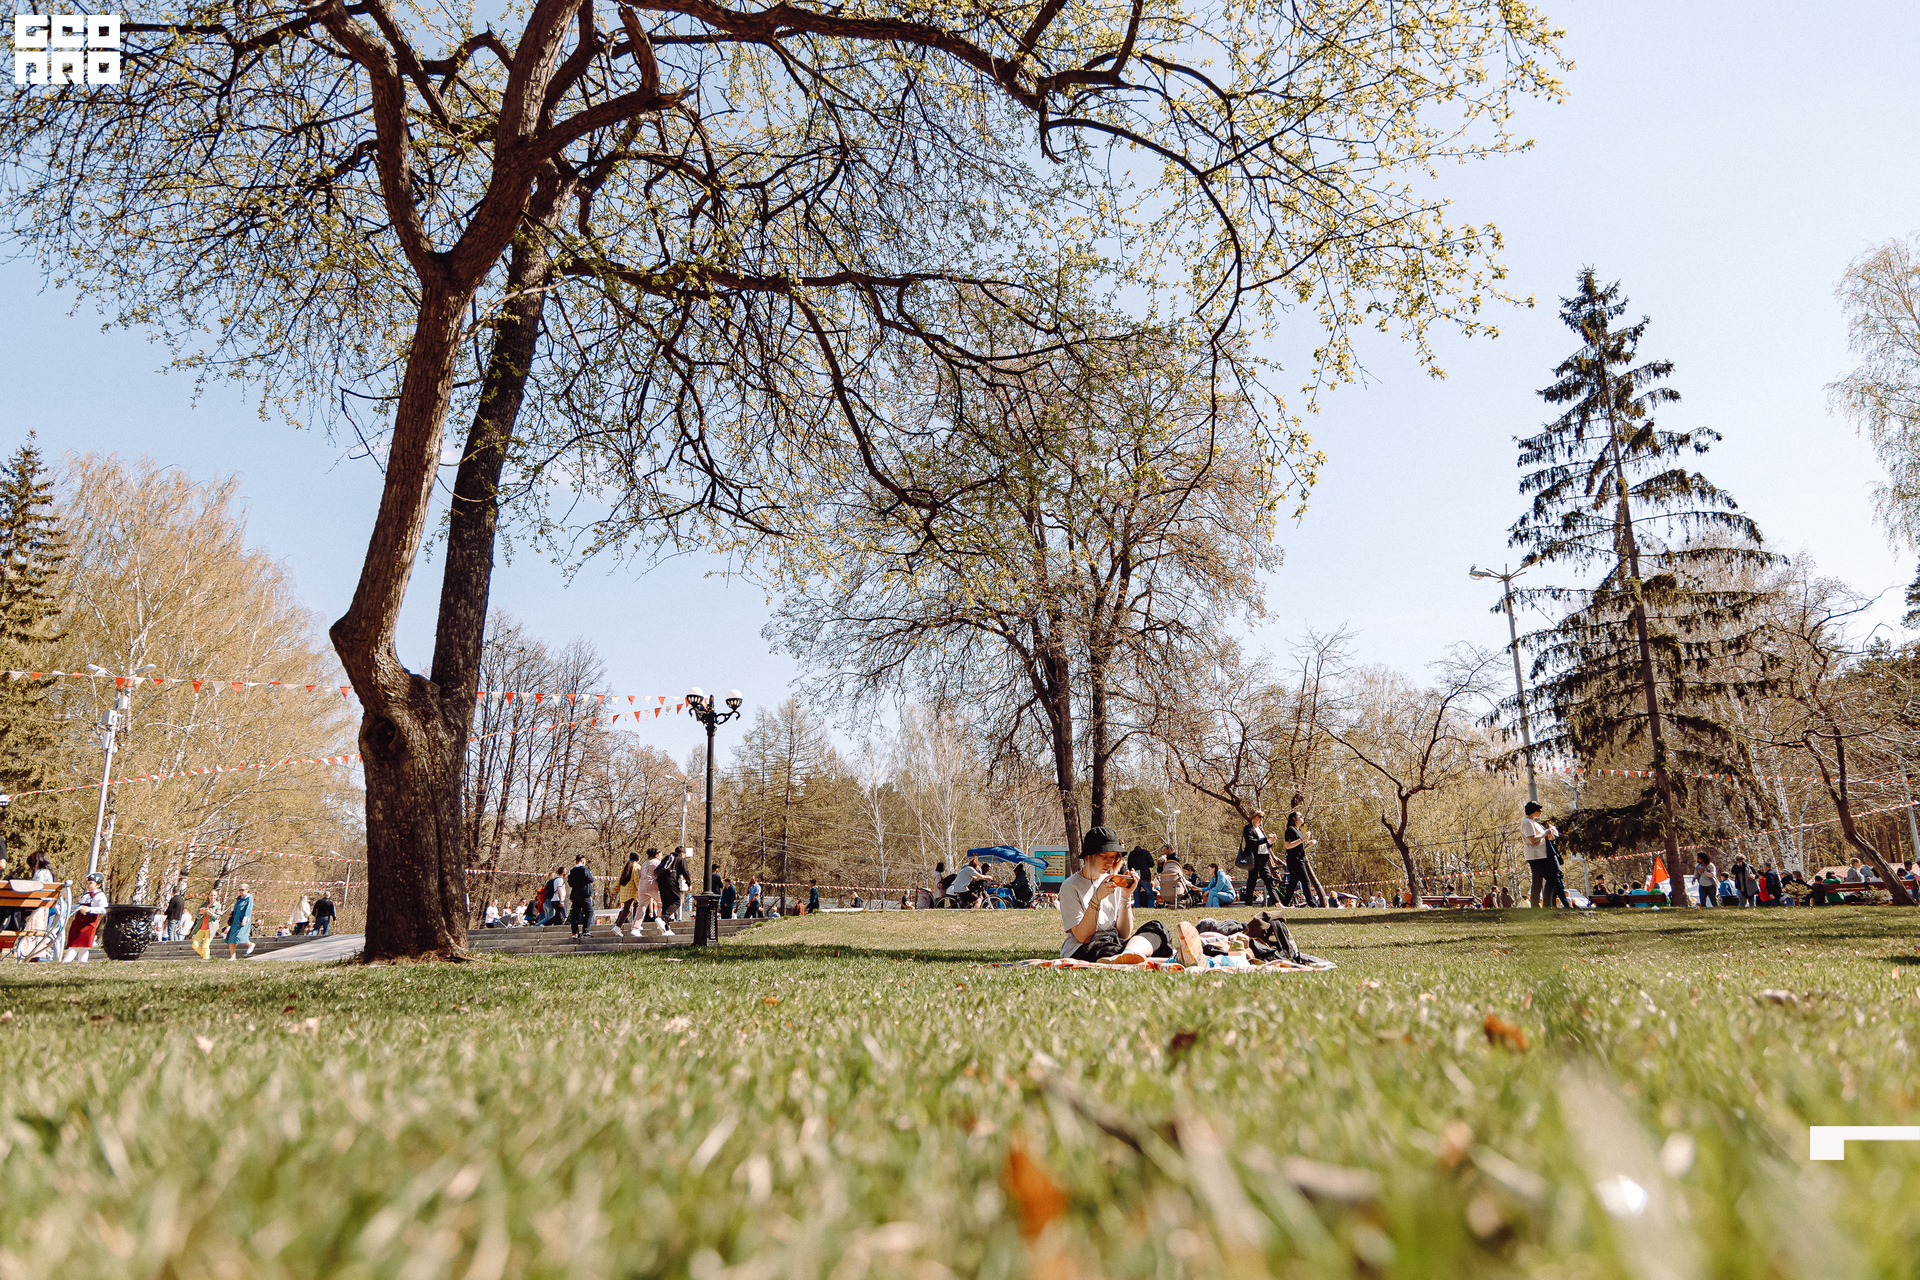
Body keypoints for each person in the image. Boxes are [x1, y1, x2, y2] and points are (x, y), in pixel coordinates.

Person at [1058, 826, 1174, 962]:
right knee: (1109, 949)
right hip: (1083, 948)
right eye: (1104, 856)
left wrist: (1126, 896)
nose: (1109, 862)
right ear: (1089, 856)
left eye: (1113, 857)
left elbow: (1124, 934)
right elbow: (1083, 937)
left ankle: (1129, 954)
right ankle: (1142, 956)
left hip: (1114, 943)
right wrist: (1096, 899)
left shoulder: (1114, 880)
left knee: (1158, 928)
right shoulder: (1070, 886)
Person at [62, 872, 107, 962]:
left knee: (82, 945)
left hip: (88, 924)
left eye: (91, 883)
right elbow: (79, 906)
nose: (88, 885)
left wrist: (89, 909)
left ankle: (66, 962)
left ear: (98, 885)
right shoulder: (85, 895)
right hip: (78, 922)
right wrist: (67, 907)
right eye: (87, 883)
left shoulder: (100, 896)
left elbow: (103, 909)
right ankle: (81, 963)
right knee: (75, 943)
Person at [1240, 810, 1279, 906]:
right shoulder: (1248, 828)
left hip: (1264, 858)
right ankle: (1248, 904)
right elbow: (1251, 842)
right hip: (1254, 858)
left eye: (1262, 817)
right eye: (1259, 816)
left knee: (1269, 881)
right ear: (1253, 817)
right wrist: (1266, 839)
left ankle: (1278, 903)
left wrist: (1271, 842)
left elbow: (1265, 845)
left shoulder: (1261, 829)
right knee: (1252, 881)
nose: (1261, 819)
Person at [1522, 802, 1555, 908]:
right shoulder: (1527, 823)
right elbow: (1532, 840)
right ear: (1533, 810)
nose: (1541, 812)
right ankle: (1543, 904)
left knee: (1539, 880)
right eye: (1539, 810)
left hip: (1541, 854)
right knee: (1549, 877)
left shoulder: (1533, 822)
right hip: (1535, 856)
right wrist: (1545, 833)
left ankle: (1538, 904)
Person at [566, 855, 595, 940]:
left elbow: (570, 883)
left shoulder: (572, 871)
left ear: (576, 861)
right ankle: (585, 931)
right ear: (583, 862)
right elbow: (591, 879)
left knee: (575, 914)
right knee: (589, 911)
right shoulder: (585, 869)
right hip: (584, 893)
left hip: (575, 894)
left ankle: (575, 932)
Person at [657, 847, 687, 927]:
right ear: (682, 854)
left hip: (661, 881)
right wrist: (689, 883)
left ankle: (665, 926)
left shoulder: (667, 858)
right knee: (677, 902)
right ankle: (663, 918)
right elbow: (685, 872)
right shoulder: (680, 859)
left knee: (666, 903)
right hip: (671, 881)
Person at [614, 851, 642, 935]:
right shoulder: (637, 867)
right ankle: (632, 926)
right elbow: (637, 880)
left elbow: (619, 880)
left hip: (625, 891)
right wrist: (640, 890)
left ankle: (621, 926)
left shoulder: (626, 866)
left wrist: (614, 890)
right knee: (631, 908)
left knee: (630, 907)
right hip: (633, 891)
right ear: (638, 859)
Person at [225, 884, 256, 959]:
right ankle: (233, 957)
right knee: (231, 939)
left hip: (243, 920)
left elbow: (248, 909)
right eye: (240, 890)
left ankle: (250, 944)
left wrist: (244, 919)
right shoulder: (238, 899)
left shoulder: (249, 898)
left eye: (243, 890)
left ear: (247, 890)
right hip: (235, 920)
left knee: (239, 936)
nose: (241, 891)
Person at [191, 892, 221, 960]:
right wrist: (201, 913)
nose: (212, 897)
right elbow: (197, 916)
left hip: (210, 928)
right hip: (201, 928)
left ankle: (206, 960)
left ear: (216, 896)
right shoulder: (204, 904)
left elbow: (217, 917)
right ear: (208, 896)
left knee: (205, 946)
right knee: (194, 945)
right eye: (211, 895)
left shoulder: (218, 905)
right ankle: (207, 957)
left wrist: (209, 912)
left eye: (214, 895)